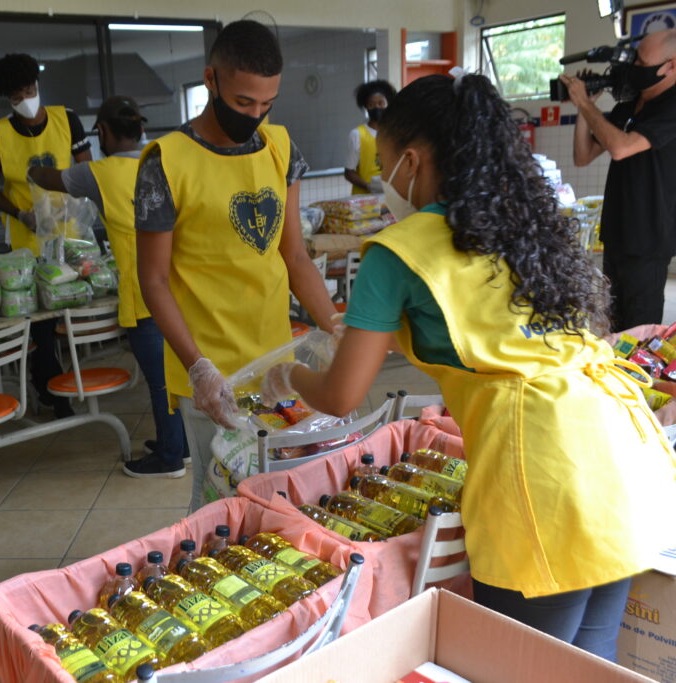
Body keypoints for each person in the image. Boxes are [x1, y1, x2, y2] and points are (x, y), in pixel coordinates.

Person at [262, 72, 676, 660]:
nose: (383, 179)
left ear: (411, 158)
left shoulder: (400, 248)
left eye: (382, 163)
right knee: (589, 661)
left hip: (545, 477)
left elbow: (340, 394)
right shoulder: (527, 226)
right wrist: (361, 330)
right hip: (621, 459)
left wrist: (283, 377)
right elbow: (499, 334)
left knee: (515, 666)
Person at [135, 20, 338, 510]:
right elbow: (154, 279)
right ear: (211, 79)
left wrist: (335, 324)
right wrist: (198, 368)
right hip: (209, 369)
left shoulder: (281, 148)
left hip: (274, 364)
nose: (256, 115)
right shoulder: (166, 162)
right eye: (244, 102)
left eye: (267, 104)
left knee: (279, 490)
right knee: (218, 498)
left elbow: (293, 256)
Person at [29, 96, 189, 478]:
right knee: (176, 373)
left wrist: (33, 167)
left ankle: (170, 457)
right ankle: (179, 445)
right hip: (182, 286)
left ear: (101, 132)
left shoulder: (98, 173)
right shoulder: (168, 162)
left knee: (159, 380)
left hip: (144, 291)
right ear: (142, 130)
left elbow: (50, 180)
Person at [0, 52, 92, 419]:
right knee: (43, 321)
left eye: (28, 90)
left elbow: (89, 170)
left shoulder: (67, 120)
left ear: (37, 85)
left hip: (70, 233)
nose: (25, 99)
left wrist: (82, 205)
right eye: (16, 96)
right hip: (27, 241)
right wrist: (20, 213)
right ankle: (53, 393)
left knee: (75, 311)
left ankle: (60, 384)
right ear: (6, 99)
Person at [563, 29, 676, 330]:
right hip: (617, 232)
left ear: (671, 65)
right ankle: (615, 376)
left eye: (641, 62)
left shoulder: (672, 107)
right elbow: (582, 156)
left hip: (648, 238)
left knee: (639, 330)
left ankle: (641, 378)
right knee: (614, 324)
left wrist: (587, 106)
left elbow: (621, 148)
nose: (634, 67)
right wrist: (583, 106)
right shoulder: (628, 107)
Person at [344, 79, 396, 195]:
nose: (377, 108)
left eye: (381, 103)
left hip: (391, 199)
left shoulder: (395, 133)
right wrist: (368, 186)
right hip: (365, 201)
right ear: (366, 107)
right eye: (371, 105)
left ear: (388, 104)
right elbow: (349, 172)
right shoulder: (357, 134)